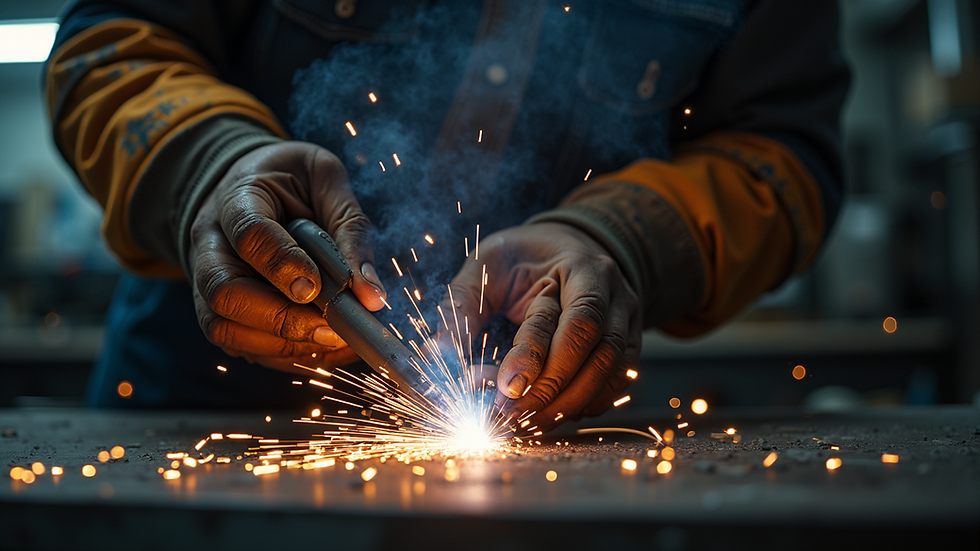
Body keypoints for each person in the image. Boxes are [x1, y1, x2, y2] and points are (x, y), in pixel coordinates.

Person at [45, 0, 848, 431]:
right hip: (197, 396)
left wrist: (623, 237)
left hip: (545, 413)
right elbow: (112, 43)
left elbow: (782, 153)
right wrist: (208, 164)